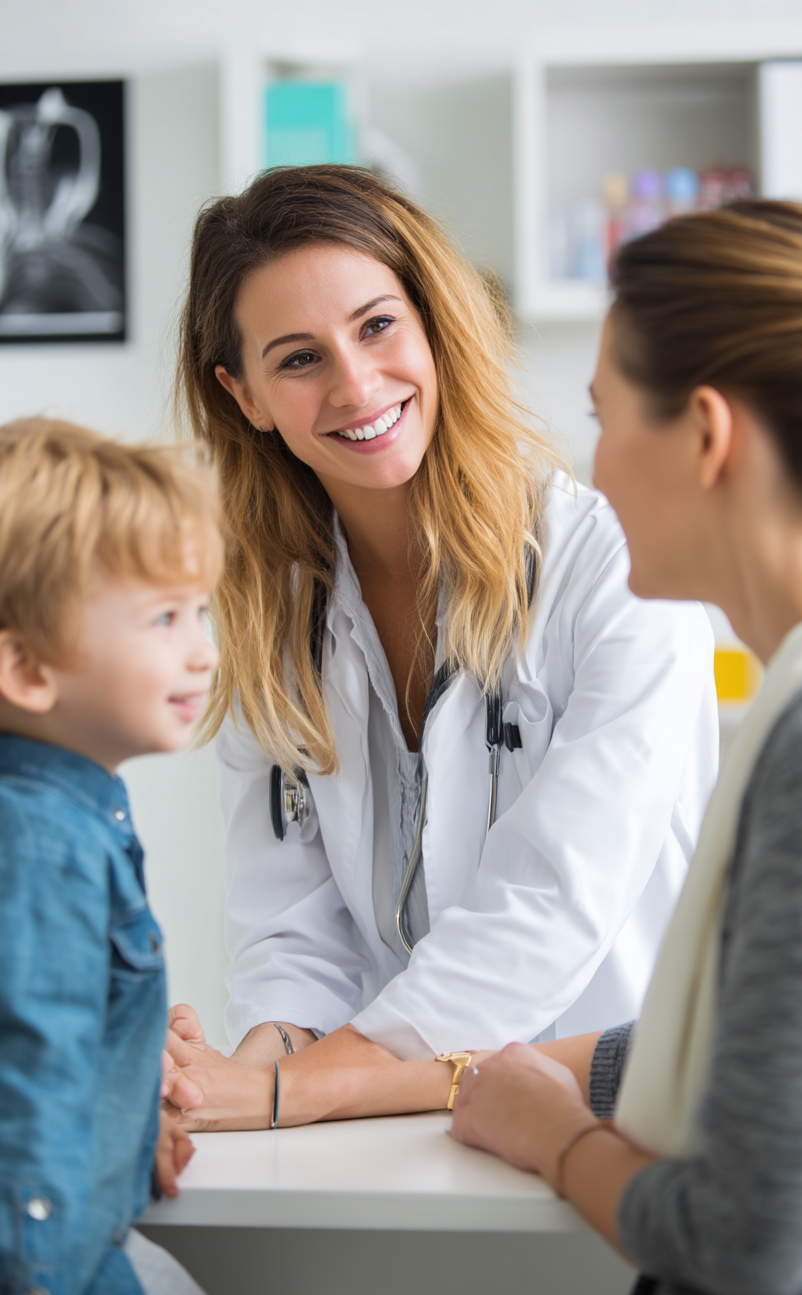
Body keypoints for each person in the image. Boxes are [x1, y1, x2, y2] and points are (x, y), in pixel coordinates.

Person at [162, 163, 718, 1131]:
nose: (354, 383)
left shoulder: (613, 565)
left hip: (617, 1124)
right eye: (297, 359)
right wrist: (226, 1076)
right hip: (385, 1131)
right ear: (242, 393)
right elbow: (292, 937)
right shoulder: (266, 612)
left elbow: (549, 905)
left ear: (432, 322)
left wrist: (284, 1092)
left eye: (377, 326)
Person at [449, 200, 802, 1295]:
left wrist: (554, 1135)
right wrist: (504, 1072)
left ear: (705, 434)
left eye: (603, 417)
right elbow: (791, 1034)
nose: (589, 468)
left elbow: (748, 1239)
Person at [0, 419, 240, 1295]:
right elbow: (30, 1084)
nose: (203, 652)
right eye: (164, 619)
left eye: (201, 613)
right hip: (51, 1291)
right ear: (27, 668)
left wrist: (129, 1123)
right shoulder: (42, 844)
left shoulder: (69, 814)